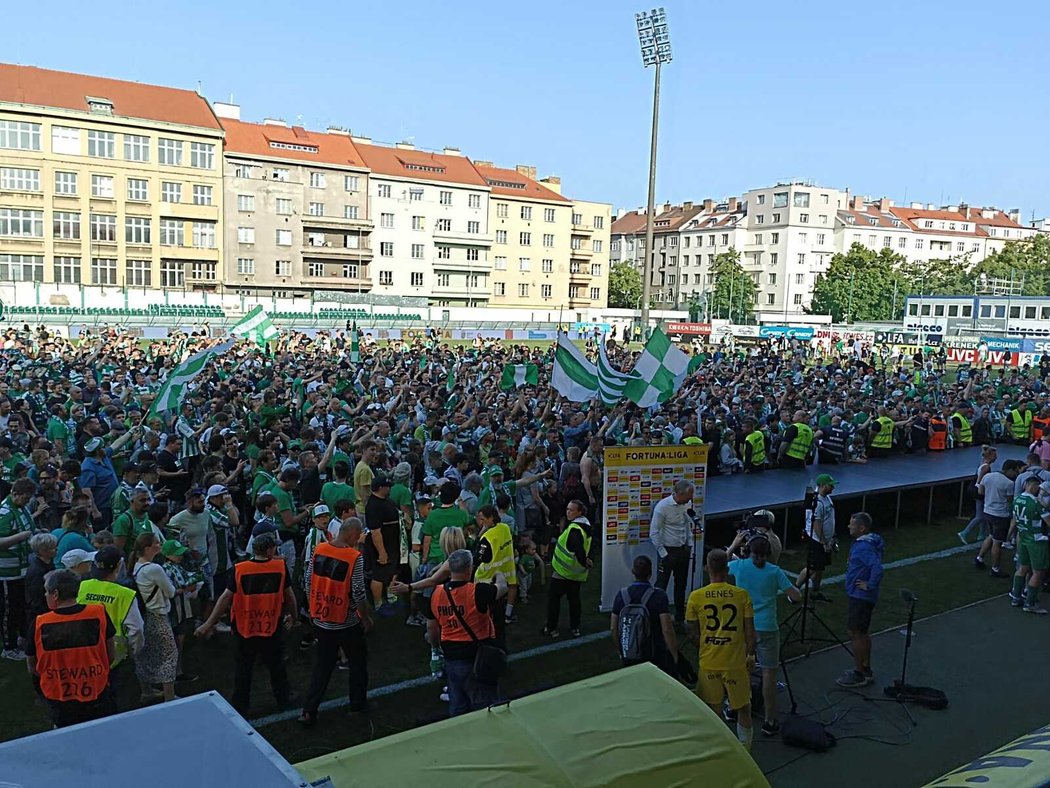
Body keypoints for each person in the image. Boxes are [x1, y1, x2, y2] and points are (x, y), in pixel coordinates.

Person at [196, 532, 296, 714]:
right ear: (269, 550)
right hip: (271, 625)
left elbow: (226, 598)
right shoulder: (280, 567)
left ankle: (241, 706)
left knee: (243, 669)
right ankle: (283, 699)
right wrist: (293, 616)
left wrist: (208, 623)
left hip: (244, 627)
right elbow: (290, 596)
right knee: (276, 667)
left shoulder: (240, 569)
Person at [299, 517, 371, 727]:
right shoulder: (353, 557)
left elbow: (308, 580)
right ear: (351, 534)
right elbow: (358, 591)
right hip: (346, 621)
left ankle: (308, 710)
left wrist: (314, 608)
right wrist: (364, 616)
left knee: (323, 666)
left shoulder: (320, 549)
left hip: (322, 618)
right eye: (357, 536)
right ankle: (357, 705)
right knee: (358, 663)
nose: (358, 540)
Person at [26, 568, 117, 727]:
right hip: (97, 691)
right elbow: (110, 655)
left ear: (55, 594)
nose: (45, 596)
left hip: (58, 695)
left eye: (46, 592)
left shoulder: (39, 623)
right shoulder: (99, 612)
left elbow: (32, 666)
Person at [728, 535, 800, 736]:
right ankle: (770, 720)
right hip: (767, 626)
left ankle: (735, 708)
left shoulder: (739, 566)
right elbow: (795, 595)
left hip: (744, 626)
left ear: (748, 550)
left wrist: (734, 545)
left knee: (742, 669)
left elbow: (718, 564)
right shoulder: (774, 572)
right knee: (769, 672)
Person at [686, 549, 756, 751]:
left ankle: (717, 751)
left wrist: (707, 646)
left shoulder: (696, 597)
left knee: (712, 711)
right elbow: (750, 632)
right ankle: (746, 751)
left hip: (709, 662)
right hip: (735, 662)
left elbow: (691, 633)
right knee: (743, 708)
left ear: (707, 568)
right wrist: (750, 654)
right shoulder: (741, 595)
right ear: (727, 569)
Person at [431, 548, 507, 716]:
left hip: (451, 657)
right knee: (485, 707)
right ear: (469, 569)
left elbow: (433, 628)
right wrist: (500, 574)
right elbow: (502, 588)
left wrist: (435, 648)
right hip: (476, 658)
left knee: (458, 707)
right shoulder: (477, 591)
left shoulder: (437, 593)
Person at [76, 545, 144, 672]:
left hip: (87, 650)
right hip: (116, 655)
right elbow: (137, 629)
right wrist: (134, 650)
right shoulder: (125, 594)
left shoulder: (83, 586)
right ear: (119, 565)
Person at [128, 532, 178, 703]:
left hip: (142, 615)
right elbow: (170, 592)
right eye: (157, 543)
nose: (160, 545)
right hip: (158, 615)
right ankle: (169, 696)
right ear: (148, 548)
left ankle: (147, 691)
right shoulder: (154, 569)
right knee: (169, 655)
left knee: (144, 654)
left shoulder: (135, 566)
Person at [836, 513, 884, 687]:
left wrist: (869, 585)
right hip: (863, 597)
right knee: (862, 632)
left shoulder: (864, 548)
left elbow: (877, 568)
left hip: (861, 597)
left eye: (852, 524)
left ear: (862, 528)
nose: (849, 526)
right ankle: (865, 668)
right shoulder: (869, 544)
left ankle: (859, 674)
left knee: (855, 633)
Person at [610, 555, 678, 674]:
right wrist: (674, 654)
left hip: (629, 653)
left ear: (633, 572)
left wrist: (621, 652)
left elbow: (613, 629)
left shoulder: (621, 595)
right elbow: (667, 629)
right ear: (650, 574)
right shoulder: (659, 596)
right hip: (654, 654)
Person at [650, 480, 697, 624]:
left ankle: (680, 617)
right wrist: (663, 553)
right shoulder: (662, 507)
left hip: (683, 550)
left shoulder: (686, 504)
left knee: (681, 585)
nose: (691, 499)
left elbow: (687, 525)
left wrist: (689, 545)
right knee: (661, 585)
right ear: (679, 494)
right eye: (689, 496)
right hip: (668, 551)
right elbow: (653, 532)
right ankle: (656, 617)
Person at [543, 498, 592, 638]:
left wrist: (584, 561)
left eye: (571, 510)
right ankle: (575, 628)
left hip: (563, 572)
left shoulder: (574, 529)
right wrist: (587, 562)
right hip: (576, 574)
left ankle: (551, 628)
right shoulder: (586, 526)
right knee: (574, 600)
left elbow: (578, 549)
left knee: (554, 600)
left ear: (580, 512)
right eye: (567, 509)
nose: (568, 512)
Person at [0, 477, 37, 659]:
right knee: (8, 611)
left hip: (21, 568)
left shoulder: (21, 508)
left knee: (21, 606)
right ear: (15, 494)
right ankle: (8, 647)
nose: (27, 501)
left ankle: (22, 637)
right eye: (25, 498)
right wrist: (21, 537)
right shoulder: (4, 512)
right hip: (6, 572)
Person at [1008, 474, 1050, 615]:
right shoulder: (1036, 504)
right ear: (1034, 486)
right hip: (1037, 541)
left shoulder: (1017, 500)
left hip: (1024, 537)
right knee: (1038, 572)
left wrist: (1009, 535)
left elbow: (1014, 519)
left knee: (1022, 568)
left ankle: (1016, 596)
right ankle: (1030, 603)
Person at [975, 460, 1022, 577]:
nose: (1016, 474)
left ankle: (979, 558)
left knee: (991, 535)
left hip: (987, 511)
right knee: (997, 542)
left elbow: (980, 491)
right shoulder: (1009, 483)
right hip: (1000, 515)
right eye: (1015, 471)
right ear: (1010, 470)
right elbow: (1010, 500)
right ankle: (995, 568)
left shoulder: (988, 476)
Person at [364, 474, 403, 616]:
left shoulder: (385, 500)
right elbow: (375, 531)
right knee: (379, 574)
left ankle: (391, 595)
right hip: (383, 544)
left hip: (392, 543)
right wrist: (381, 552)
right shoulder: (374, 505)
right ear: (381, 488)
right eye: (388, 487)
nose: (390, 489)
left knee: (392, 570)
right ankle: (378, 603)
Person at [795, 474, 837, 602]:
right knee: (812, 567)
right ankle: (794, 591)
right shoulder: (817, 503)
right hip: (817, 540)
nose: (833, 487)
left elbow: (829, 519)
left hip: (825, 539)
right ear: (823, 486)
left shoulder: (827, 499)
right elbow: (816, 524)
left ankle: (815, 592)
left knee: (820, 566)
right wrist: (824, 542)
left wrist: (833, 538)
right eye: (831, 485)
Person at [474, 504, 517, 626]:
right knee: (512, 587)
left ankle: (486, 619)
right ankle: (508, 615)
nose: (480, 522)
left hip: (489, 574)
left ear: (491, 518)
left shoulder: (487, 536)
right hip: (507, 567)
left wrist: (481, 534)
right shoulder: (505, 528)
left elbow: (479, 557)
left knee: (489, 600)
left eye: (483, 519)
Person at [957, 445, 997, 544]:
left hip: (976, 491)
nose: (996, 458)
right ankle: (964, 532)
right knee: (980, 515)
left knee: (983, 514)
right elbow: (979, 481)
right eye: (995, 456)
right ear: (990, 456)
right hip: (979, 492)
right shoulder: (986, 467)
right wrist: (983, 489)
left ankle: (982, 534)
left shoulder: (983, 463)